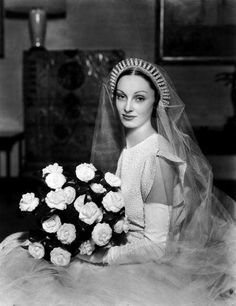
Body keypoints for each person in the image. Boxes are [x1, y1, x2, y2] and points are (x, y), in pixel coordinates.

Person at [0, 58, 235, 306]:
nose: (128, 107)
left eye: (139, 98)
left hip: (147, 265)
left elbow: (156, 247)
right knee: (22, 249)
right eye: (121, 96)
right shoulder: (131, 149)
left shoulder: (157, 158)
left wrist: (102, 256)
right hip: (124, 245)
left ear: (156, 101)